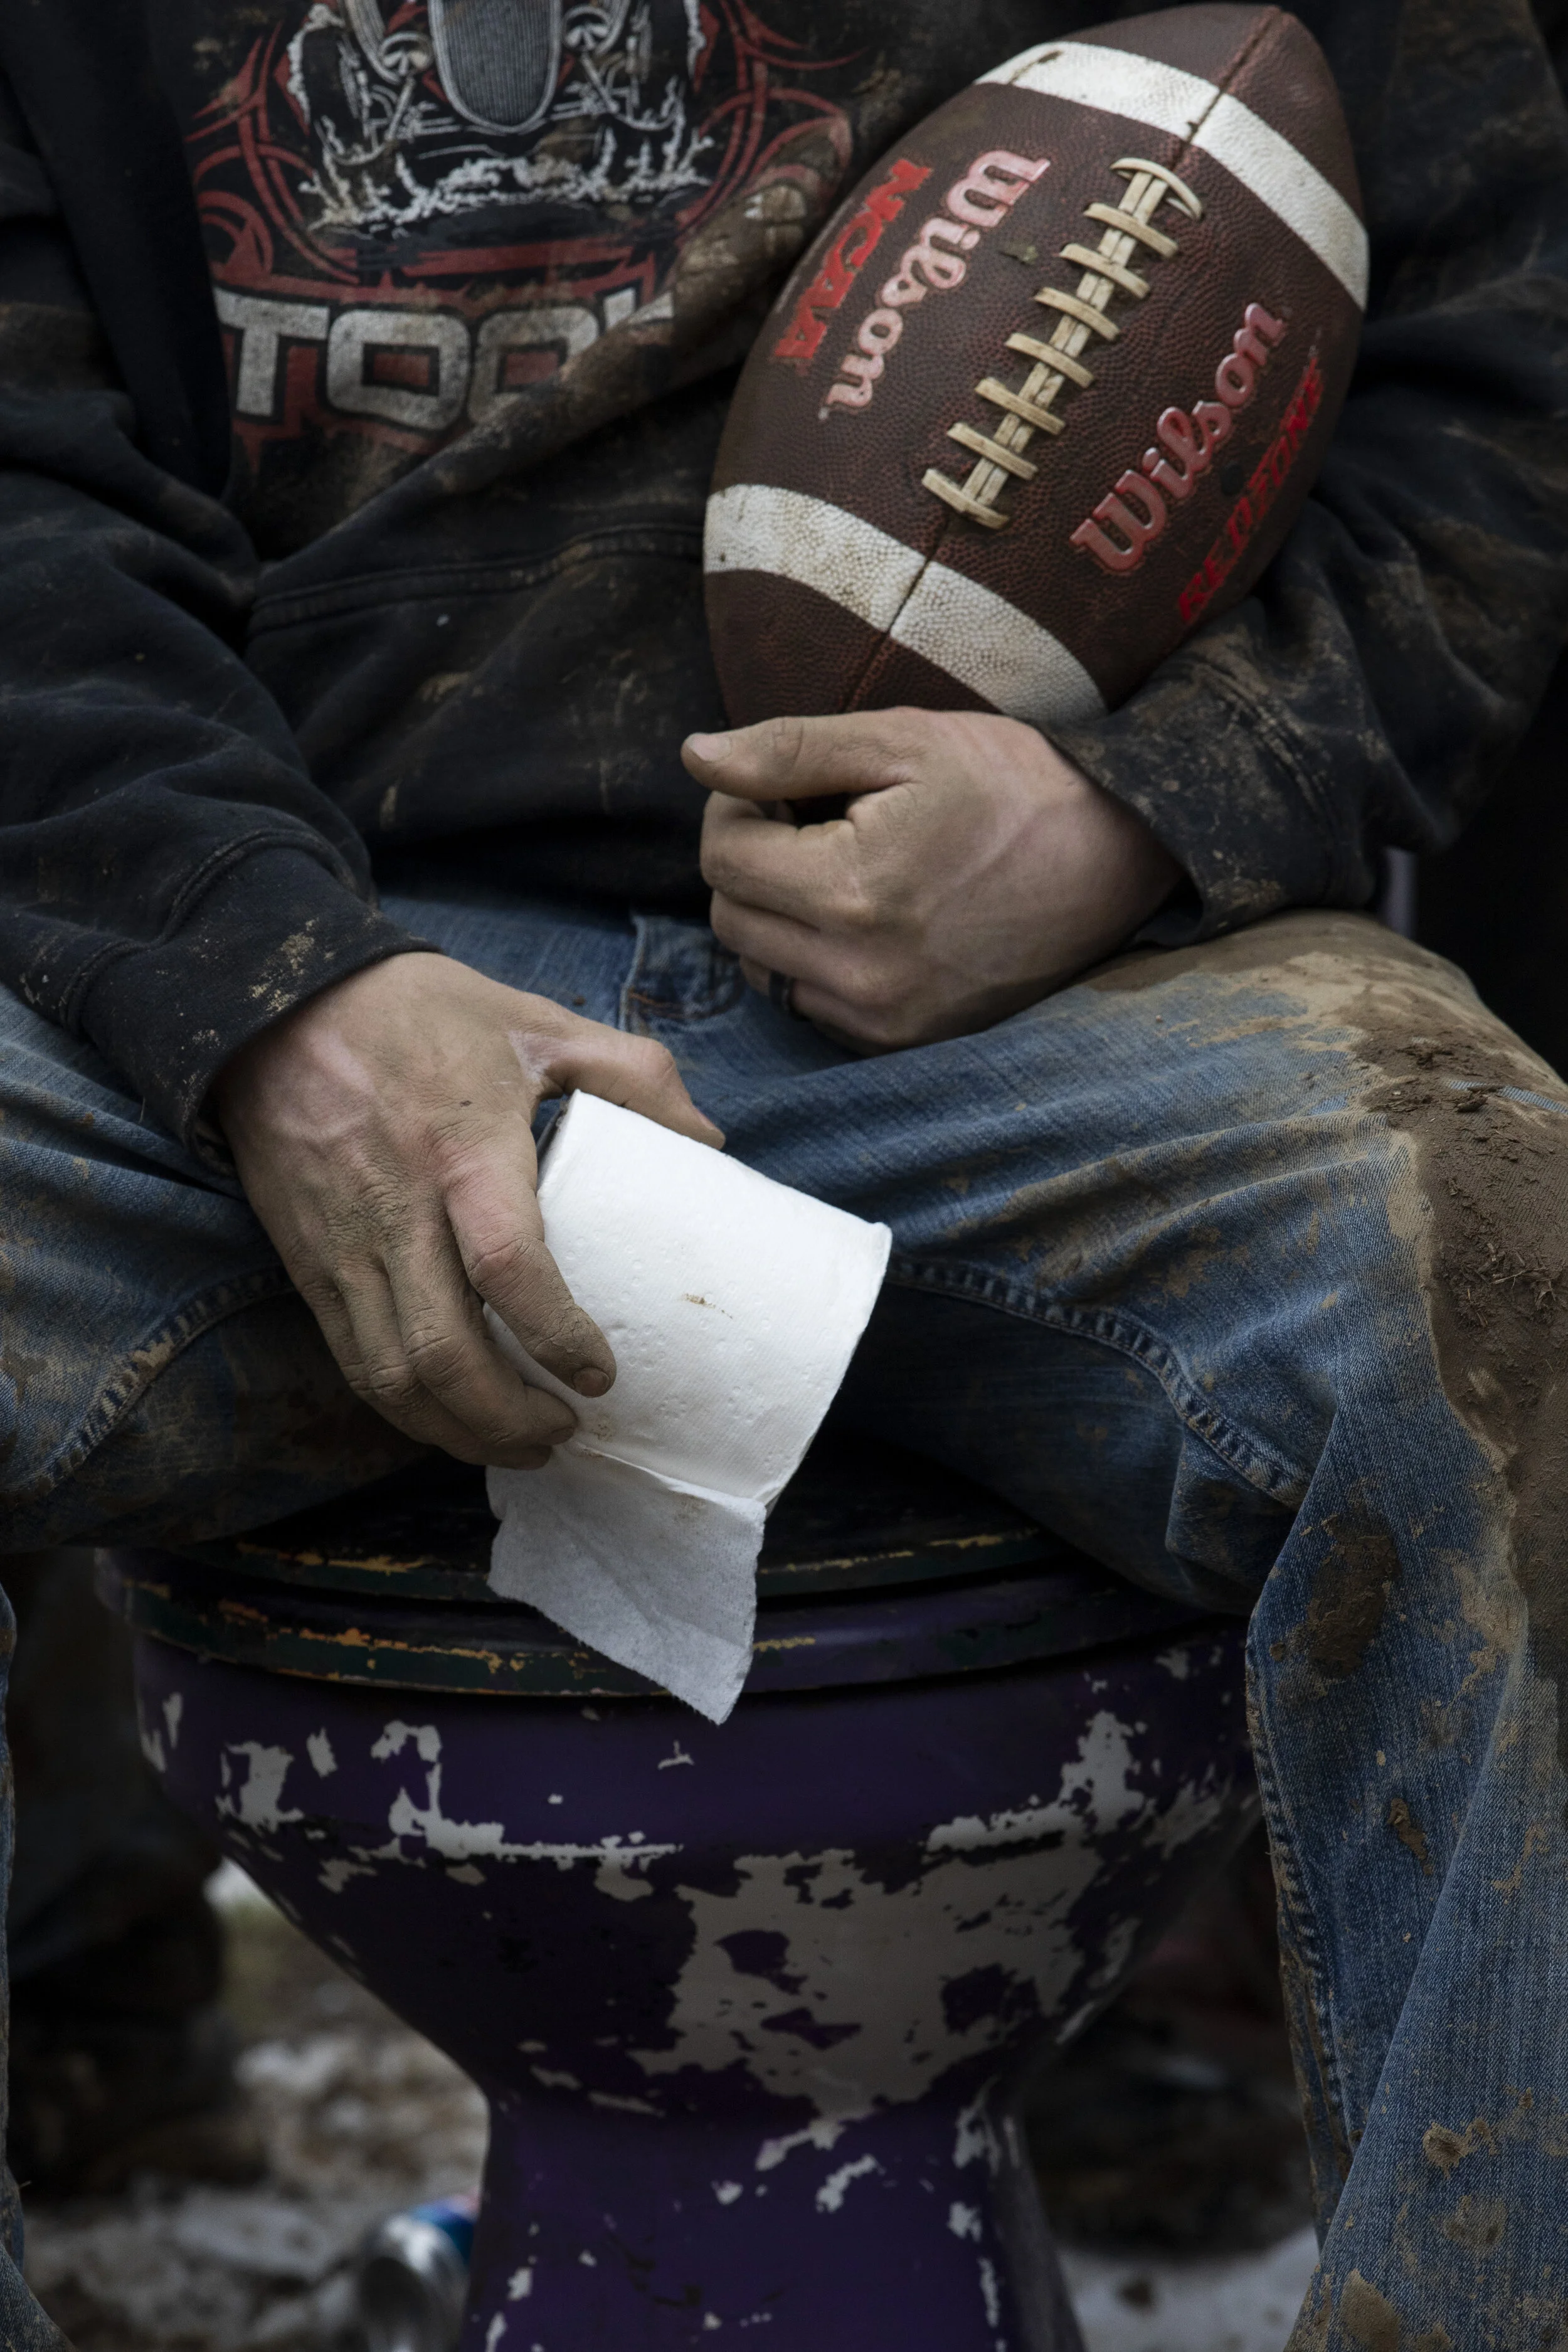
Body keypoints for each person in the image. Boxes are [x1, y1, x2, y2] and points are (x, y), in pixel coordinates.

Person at [0, 3, 1565, 2345]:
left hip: (1040, 1011)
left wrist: (1144, 800)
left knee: (1521, 1274)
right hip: (281, 966)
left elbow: (1490, 368)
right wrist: (274, 997)